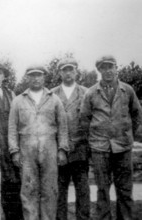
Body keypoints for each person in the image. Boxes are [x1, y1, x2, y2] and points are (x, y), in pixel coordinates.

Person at [80, 55, 142, 220]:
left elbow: (136, 114)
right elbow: (84, 119)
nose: (107, 71)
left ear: (116, 68)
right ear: (99, 70)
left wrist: (127, 134)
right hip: (100, 149)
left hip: (123, 147)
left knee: (125, 190)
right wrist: (94, 139)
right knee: (102, 190)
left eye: (110, 67)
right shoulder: (91, 93)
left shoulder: (127, 90)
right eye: (103, 67)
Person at [8, 65, 69, 220]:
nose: (36, 78)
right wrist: (14, 151)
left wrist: (62, 149)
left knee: (50, 190)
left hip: (50, 150)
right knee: (28, 190)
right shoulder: (18, 101)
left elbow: (62, 126)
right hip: (26, 151)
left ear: (44, 77)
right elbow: (12, 127)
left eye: (39, 75)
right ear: (27, 78)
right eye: (32, 75)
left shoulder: (54, 99)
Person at [51, 58, 90, 220]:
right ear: (59, 73)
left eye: (71, 69)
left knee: (83, 190)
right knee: (60, 191)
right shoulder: (52, 94)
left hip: (80, 150)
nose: (68, 73)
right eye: (64, 70)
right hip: (59, 151)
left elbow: (91, 120)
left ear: (76, 72)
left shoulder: (86, 93)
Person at [0, 62, 23, 220]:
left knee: (14, 180)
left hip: (11, 141)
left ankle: (15, 215)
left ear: (4, 76)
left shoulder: (10, 93)